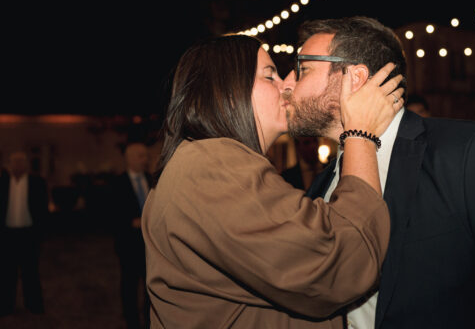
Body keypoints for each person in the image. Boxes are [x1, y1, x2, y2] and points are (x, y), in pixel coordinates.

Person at [282, 16, 475, 329]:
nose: (287, 83)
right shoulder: (321, 186)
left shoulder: (469, 154)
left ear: (355, 78)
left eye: (302, 69)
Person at [141, 34, 404, 328]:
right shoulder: (213, 167)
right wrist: (360, 135)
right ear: (228, 92)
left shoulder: (207, 163)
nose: (288, 85)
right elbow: (341, 263)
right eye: (270, 76)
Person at [0, 151, 49, 316]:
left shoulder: (37, 182)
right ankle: (6, 306)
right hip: (8, 234)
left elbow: (43, 210)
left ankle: (34, 305)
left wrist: (40, 233)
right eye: (14, 162)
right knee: (7, 272)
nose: (18, 165)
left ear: (26, 164)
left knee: (31, 271)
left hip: (29, 234)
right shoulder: (3, 183)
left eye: (21, 161)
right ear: (9, 165)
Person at [112, 142, 152, 329]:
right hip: (128, 244)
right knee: (129, 287)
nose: (146, 160)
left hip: (150, 245)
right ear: (129, 159)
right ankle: (132, 323)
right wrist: (131, 222)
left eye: (146, 155)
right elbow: (111, 215)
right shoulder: (118, 183)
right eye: (141, 156)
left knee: (150, 286)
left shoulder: (151, 179)